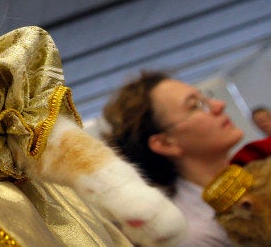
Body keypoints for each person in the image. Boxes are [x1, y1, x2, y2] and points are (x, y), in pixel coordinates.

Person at [102, 71, 244, 246]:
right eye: (196, 105)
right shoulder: (194, 234)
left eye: (206, 98)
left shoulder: (251, 173)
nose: (218, 105)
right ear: (166, 144)